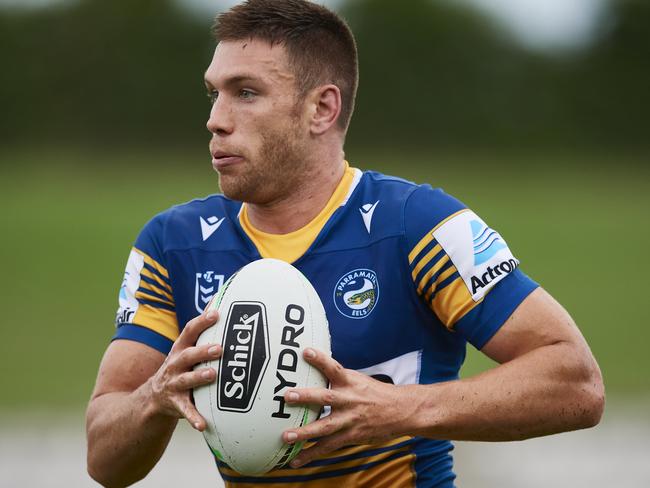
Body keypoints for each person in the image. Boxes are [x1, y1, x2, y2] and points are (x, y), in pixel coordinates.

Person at [86, 0, 605, 486]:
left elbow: (575, 383)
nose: (216, 119)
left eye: (245, 92)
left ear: (322, 109)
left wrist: (399, 410)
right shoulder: (173, 245)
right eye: (214, 93)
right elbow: (104, 459)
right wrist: (154, 398)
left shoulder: (417, 226)